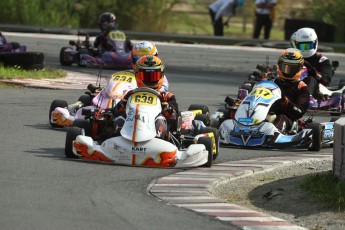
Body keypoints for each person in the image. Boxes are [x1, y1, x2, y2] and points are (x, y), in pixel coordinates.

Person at [113, 55, 178, 140]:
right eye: (146, 76)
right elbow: (115, 111)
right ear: (137, 75)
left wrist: (166, 109)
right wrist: (123, 103)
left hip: (155, 133)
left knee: (160, 119)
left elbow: (175, 117)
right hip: (131, 127)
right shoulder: (131, 94)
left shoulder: (167, 97)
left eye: (154, 76)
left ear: (161, 75)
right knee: (121, 117)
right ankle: (117, 139)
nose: (150, 80)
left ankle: (158, 140)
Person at [269, 48, 310, 133]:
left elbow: (299, 111)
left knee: (281, 118)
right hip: (265, 113)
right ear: (279, 66)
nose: (288, 72)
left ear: (300, 68)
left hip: (287, 119)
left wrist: (287, 103)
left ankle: (271, 134)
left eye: (292, 69)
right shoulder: (272, 83)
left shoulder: (302, 88)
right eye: (285, 67)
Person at [290, 27, 333, 97]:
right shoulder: (292, 58)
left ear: (315, 43)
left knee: (311, 79)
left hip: (314, 90)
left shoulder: (322, 60)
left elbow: (326, 80)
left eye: (308, 46)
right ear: (297, 45)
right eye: (303, 46)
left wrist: (317, 75)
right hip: (293, 85)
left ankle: (306, 98)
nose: (305, 49)